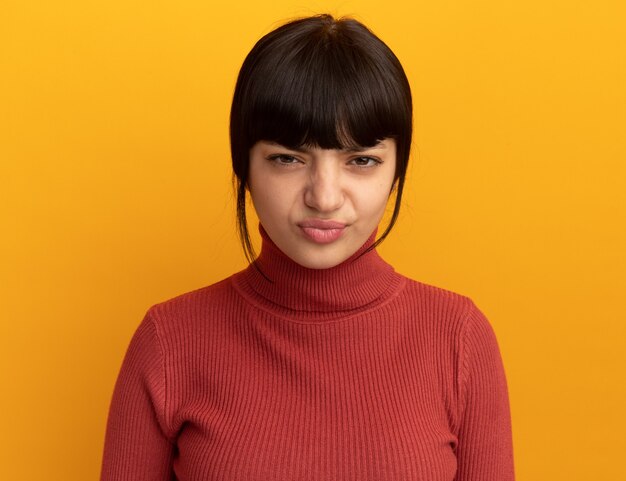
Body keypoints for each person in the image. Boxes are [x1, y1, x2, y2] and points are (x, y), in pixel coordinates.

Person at [100, 14, 514, 481]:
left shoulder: (459, 340)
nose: (324, 196)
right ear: (244, 166)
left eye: (361, 160)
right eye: (287, 159)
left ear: (397, 170)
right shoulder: (169, 342)